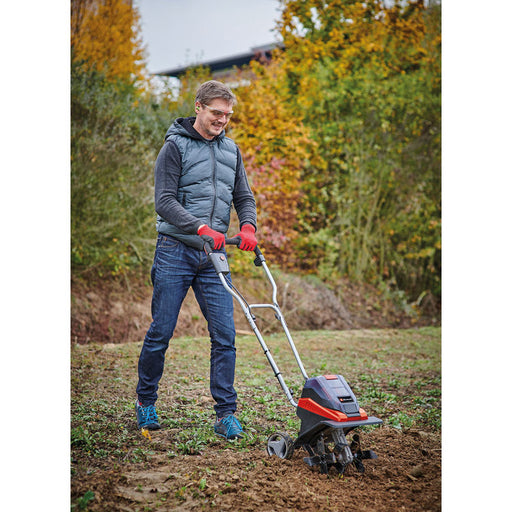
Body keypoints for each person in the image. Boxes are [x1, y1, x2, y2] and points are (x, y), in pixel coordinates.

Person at [135, 80, 258, 440]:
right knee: (161, 331)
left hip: (213, 255)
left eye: (228, 115)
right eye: (217, 112)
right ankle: (145, 402)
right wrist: (200, 227)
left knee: (225, 335)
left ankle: (225, 414)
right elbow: (164, 201)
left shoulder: (231, 150)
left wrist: (247, 226)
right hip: (175, 250)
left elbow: (243, 196)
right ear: (199, 107)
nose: (222, 120)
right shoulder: (174, 147)